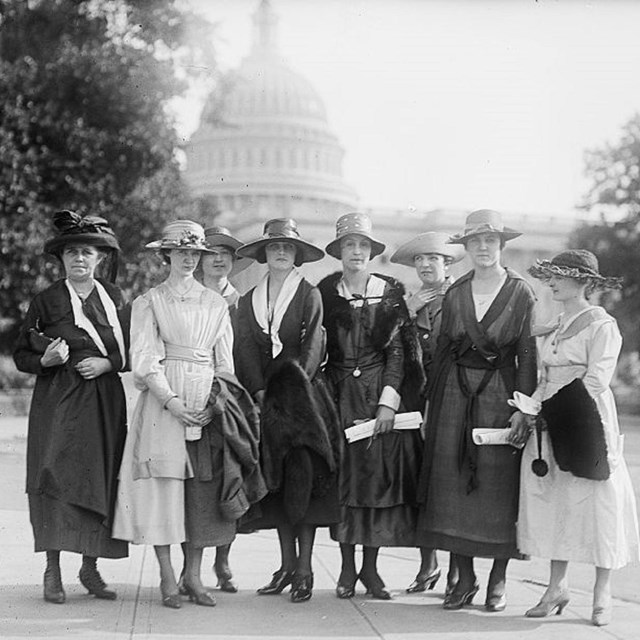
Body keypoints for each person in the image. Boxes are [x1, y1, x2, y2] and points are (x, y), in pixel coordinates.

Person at [113, 220, 262, 609]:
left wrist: (216, 401)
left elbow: (224, 362)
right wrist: (171, 401)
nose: (187, 260)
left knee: (201, 491)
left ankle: (193, 575)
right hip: (165, 400)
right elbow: (143, 359)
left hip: (205, 401)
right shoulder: (150, 302)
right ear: (166, 256)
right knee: (164, 487)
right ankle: (166, 576)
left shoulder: (215, 304)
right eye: (180, 252)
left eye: (194, 253)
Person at [416, 209, 537, 612]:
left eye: (490, 241)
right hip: (454, 391)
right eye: (475, 242)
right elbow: (443, 351)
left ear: (502, 246)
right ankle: (462, 578)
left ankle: (497, 580)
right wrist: (431, 403)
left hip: (500, 394)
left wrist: (524, 409)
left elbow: (527, 355)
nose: (483, 248)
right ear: (465, 248)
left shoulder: (520, 291)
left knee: (498, 485)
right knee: (451, 482)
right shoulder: (456, 292)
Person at [513, 250, 640, 627]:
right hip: (552, 417)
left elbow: (597, 379)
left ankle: (602, 594)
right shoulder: (554, 324)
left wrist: (551, 409)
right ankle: (557, 587)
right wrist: (528, 408)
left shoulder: (602, 324)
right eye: (549, 276)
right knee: (556, 500)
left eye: (559, 277)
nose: (550, 283)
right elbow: (542, 378)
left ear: (583, 282)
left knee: (596, 501)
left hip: (585, 418)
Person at [13, 210, 128, 604]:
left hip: (102, 399)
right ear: (61, 260)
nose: (80, 259)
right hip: (58, 400)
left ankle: (90, 566)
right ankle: (53, 569)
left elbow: (131, 348)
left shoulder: (114, 298)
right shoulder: (46, 300)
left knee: (99, 477)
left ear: (99, 259)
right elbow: (21, 355)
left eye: (87, 252)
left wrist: (108, 363)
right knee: (55, 477)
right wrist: (43, 362)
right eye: (72, 252)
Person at [318, 212, 425, 601]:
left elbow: (399, 353)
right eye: (350, 245)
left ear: (371, 251)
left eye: (363, 246)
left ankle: (370, 570)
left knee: (377, 481)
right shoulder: (326, 293)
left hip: (379, 393)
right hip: (339, 395)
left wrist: (388, 405)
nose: (357, 252)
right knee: (346, 482)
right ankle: (346, 569)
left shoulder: (390, 292)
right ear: (340, 252)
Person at [234, 218, 341, 604]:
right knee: (276, 485)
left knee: (304, 482)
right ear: (264, 254)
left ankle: (306, 569)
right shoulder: (248, 300)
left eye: (288, 248)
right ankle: (285, 564)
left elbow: (313, 346)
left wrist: (289, 392)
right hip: (265, 400)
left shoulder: (308, 294)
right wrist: (259, 391)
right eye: (274, 247)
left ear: (296, 255)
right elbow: (244, 347)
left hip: (302, 401)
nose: (281, 253)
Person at [390, 231, 464, 596]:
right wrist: (409, 310)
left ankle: (452, 569)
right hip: (416, 400)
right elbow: (392, 347)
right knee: (421, 482)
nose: (424, 265)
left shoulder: (460, 296)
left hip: (452, 398)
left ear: (447, 262)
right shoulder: (411, 300)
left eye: (432, 258)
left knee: (448, 483)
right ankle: (427, 563)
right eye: (419, 260)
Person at [189, 225, 251, 593]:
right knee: (196, 483)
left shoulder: (243, 302)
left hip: (230, 399)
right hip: (192, 395)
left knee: (232, 476)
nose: (218, 259)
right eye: (211, 252)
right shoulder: (189, 298)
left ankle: (223, 558)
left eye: (225, 254)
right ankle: (191, 563)